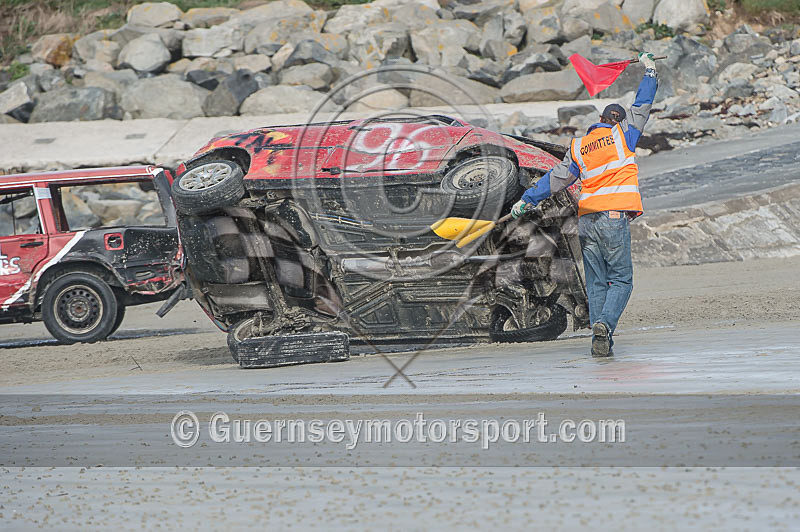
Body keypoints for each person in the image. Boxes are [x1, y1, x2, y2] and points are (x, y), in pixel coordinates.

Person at [510, 52, 658, 357]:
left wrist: (526, 200)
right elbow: (642, 105)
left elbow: (556, 178)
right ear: (618, 120)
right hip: (613, 219)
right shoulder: (623, 135)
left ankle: (599, 338)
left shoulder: (579, 146)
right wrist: (651, 71)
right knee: (621, 279)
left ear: (599, 121)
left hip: (587, 220)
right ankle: (604, 325)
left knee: (596, 283)